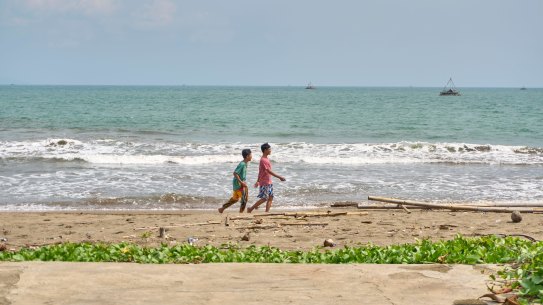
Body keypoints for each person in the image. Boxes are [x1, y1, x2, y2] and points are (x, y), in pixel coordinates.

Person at [247, 143, 286, 213]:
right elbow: (268, 171)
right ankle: (251, 208)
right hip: (265, 182)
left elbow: (260, 171)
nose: (270, 150)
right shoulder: (263, 160)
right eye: (269, 149)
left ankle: (266, 212)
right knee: (265, 198)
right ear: (265, 150)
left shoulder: (266, 159)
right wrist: (279, 177)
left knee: (270, 198)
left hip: (268, 181)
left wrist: (257, 181)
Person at [218, 148, 252, 213]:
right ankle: (241, 213)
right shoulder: (242, 164)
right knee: (244, 199)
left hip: (237, 184)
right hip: (239, 184)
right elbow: (235, 173)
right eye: (251, 155)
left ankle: (222, 208)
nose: (251, 156)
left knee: (235, 199)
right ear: (247, 156)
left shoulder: (245, 163)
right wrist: (241, 182)